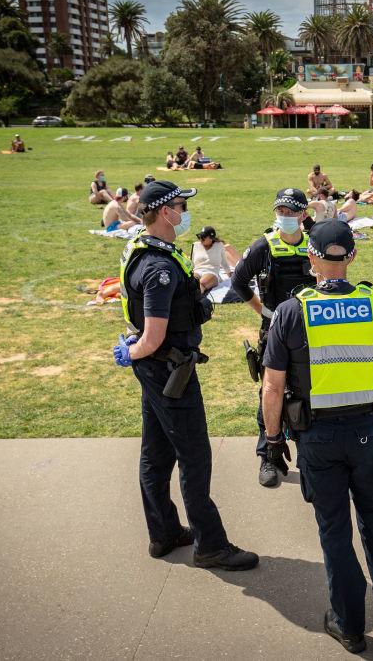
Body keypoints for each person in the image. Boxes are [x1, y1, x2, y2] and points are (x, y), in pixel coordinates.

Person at [260, 218, 373, 653]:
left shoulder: (293, 311)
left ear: (311, 257)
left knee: (334, 529)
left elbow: (272, 386)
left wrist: (273, 441)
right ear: (352, 256)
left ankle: (348, 623)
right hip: (367, 433)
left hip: (316, 438)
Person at [111, 180, 258, 570]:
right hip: (169, 370)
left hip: (157, 369)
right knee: (194, 455)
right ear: (164, 212)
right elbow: (154, 335)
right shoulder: (158, 267)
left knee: (156, 452)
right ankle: (210, 544)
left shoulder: (147, 249)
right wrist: (131, 352)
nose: (184, 211)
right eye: (179, 205)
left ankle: (164, 533)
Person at [230, 188, 318, 487]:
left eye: (291, 212)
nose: (285, 217)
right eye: (280, 211)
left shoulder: (314, 243)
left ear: (303, 214)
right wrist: (264, 312)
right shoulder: (262, 247)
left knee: (310, 391)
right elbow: (239, 281)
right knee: (271, 392)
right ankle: (269, 455)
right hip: (274, 332)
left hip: (312, 332)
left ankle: (312, 456)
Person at [192, 225, 238, 293]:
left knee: (202, 283)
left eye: (203, 237)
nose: (200, 239)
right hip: (197, 270)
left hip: (211, 271)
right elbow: (192, 262)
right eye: (200, 236)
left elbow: (224, 262)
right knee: (190, 284)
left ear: (211, 238)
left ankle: (193, 301)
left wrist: (229, 273)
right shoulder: (195, 245)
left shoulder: (219, 245)